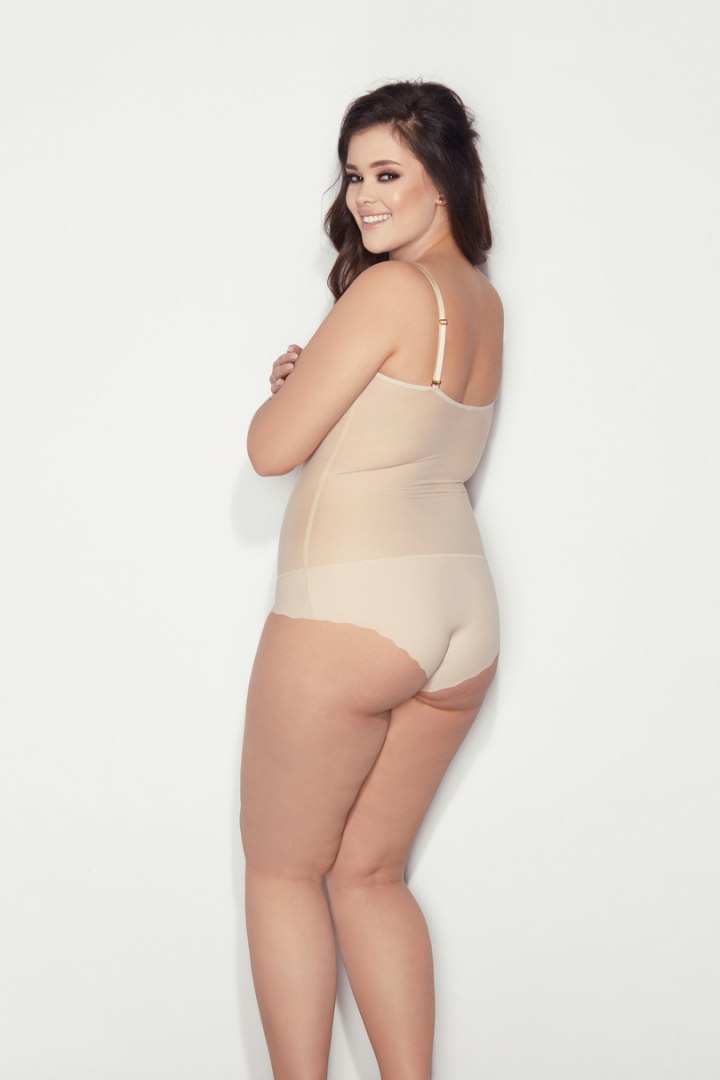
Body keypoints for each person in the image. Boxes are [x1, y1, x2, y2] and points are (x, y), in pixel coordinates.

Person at [240, 78, 503, 1079]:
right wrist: (319, 383)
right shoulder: (482, 301)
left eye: (388, 172)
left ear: (444, 177)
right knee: (372, 875)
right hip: (462, 614)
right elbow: (411, 436)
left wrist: (289, 392)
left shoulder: (387, 292)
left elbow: (272, 449)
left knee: (282, 871)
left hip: (351, 610)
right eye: (354, 175)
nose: (363, 196)